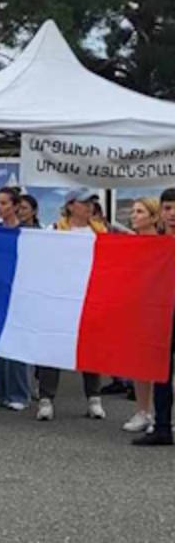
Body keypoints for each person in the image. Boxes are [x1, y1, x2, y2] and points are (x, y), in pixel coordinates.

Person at [36, 189, 106, 422]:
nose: (89, 207)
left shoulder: (101, 231)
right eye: (84, 203)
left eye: (91, 203)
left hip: (90, 296)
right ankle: (46, 399)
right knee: (52, 347)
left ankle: (94, 398)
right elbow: (43, 261)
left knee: (91, 347)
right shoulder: (54, 230)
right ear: (70, 206)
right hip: (60, 296)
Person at [134, 188, 175, 447]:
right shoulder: (155, 245)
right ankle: (162, 427)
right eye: (168, 208)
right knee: (161, 372)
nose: (173, 214)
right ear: (161, 212)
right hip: (162, 314)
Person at [0, 187, 32, 412]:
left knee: (18, 345)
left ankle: (19, 394)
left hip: (21, 293)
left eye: (4, 203)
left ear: (15, 206)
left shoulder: (29, 233)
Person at [124, 197, 162, 433]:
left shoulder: (164, 244)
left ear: (153, 217)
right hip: (136, 309)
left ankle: (162, 414)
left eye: (140, 211)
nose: (134, 216)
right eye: (133, 211)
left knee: (162, 365)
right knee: (139, 363)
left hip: (160, 309)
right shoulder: (129, 244)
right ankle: (143, 411)